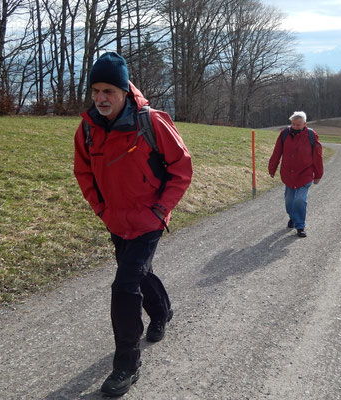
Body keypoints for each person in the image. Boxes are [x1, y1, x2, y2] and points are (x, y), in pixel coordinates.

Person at [73, 52, 192, 397]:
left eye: (108, 90)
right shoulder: (88, 129)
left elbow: (182, 169)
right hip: (115, 220)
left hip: (149, 220)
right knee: (137, 272)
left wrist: (159, 211)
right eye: (96, 90)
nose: (101, 98)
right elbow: (83, 172)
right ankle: (162, 311)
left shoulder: (151, 122)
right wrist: (102, 209)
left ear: (125, 90)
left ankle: (127, 363)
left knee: (124, 286)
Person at [268, 111, 323, 238]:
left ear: (305, 124)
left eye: (298, 125)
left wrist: (318, 174)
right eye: (293, 124)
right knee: (289, 201)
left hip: (305, 173)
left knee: (299, 200)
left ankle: (300, 226)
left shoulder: (311, 135)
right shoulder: (285, 134)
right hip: (288, 174)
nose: (295, 127)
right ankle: (292, 217)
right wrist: (272, 168)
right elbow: (277, 152)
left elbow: (317, 156)